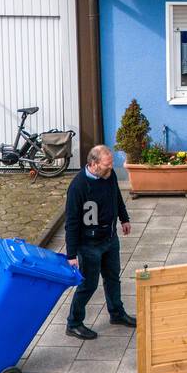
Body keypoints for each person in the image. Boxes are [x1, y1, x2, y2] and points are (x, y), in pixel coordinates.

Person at [64, 145, 136, 339]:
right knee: (88, 285)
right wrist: (71, 255)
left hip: (110, 239)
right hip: (88, 245)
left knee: (113, 278)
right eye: (107, 164)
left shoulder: (109, 176)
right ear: (93, 164)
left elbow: (116, 197)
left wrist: (124, 218)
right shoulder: (78, 187)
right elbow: (71, 223)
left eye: (111, 163)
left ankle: (117, 313)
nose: (111, 167)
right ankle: (74, 323)